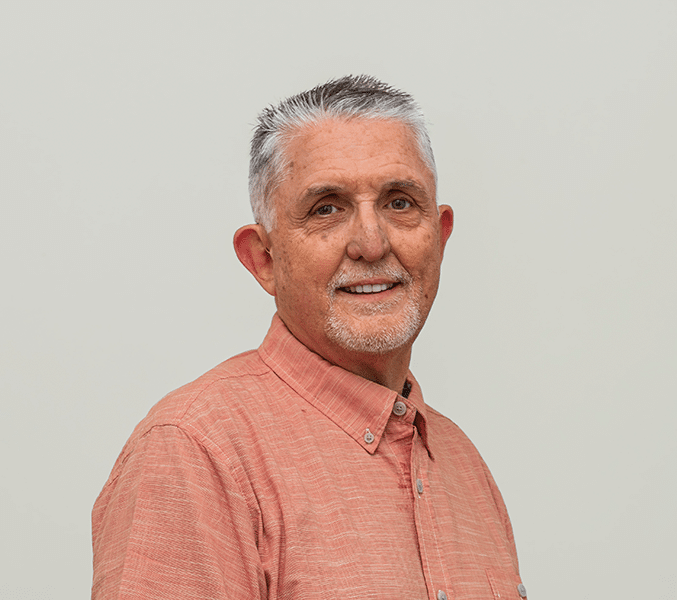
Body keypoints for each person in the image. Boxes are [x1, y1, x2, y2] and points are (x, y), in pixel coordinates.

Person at [92, 75, 527, 600]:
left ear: (439, 236)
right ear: (263, 259)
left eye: (399, 202)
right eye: (327, 209)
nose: (371, 242)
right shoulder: (195, 452)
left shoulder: (464, 466)